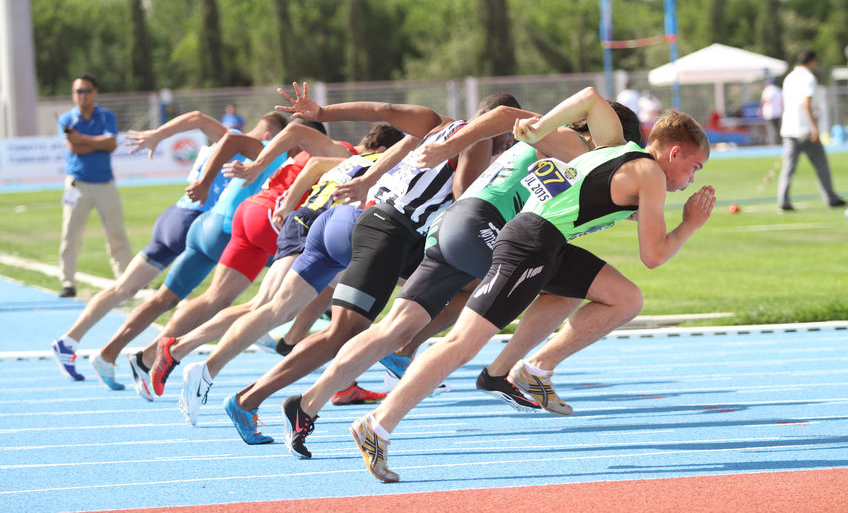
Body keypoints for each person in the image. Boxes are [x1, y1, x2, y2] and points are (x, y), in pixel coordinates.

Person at [349, 108, 715, 482]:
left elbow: (589, 98)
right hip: (530, 245)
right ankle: (377, 425)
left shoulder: (615, 145)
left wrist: (541, 127)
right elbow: (653, 256)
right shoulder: (649, 172)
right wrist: (689, 224)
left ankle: (533, 367)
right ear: (674, 153)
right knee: (462, 343)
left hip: (549, 242)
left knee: (624, 298)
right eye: (695, 167)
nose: (692, 178)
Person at [280, 91, 643, 459]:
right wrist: (446, 148)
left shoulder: (567, 149)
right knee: (555, 287)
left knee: (394, 328)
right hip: (482, 228)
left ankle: (307, 403)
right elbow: (502, 114)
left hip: (453, 227)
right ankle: (503, 371)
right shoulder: (570, 140)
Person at [190, 84, 517, 448]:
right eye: (507, 141)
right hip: (391, 232)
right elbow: (463, 198)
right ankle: (251, 399)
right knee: (343, 333)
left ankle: (401, 346)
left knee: (463, 286)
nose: (507, 149)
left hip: (388, 229)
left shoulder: (436, 122)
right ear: (497, 128)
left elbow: (384, 110)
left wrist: (324, 114)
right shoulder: (480, 141)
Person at [146, 124, 404, 417]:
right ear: (385, 150)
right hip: (303, 222)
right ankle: (188, 354)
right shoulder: (359, 156)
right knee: (271, 308)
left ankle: (336, 368)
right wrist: (287, 203)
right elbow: (313, 157)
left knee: (301, 302)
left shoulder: (355, 160)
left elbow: (316, 164)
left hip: (291, 219)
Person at [82, 112, 290, 398]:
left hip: (202, 225)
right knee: (244, 296)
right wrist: (205, 182)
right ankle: (154, 355)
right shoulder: (271, 151)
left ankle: (111, 353)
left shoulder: (253, 146)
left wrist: (158, 136)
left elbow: (206, 123)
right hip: (227, 229)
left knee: (166, 299)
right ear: (275, 136)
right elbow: (225, 133)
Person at [50, 109, 245, 384]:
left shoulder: (239, 144)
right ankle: (257, 334)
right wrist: (157, 135)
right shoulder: (240, 141)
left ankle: (71, 340)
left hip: (175, 215)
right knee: (208, 299)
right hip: (196, 220)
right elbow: (200, 117)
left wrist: (158, 135)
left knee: (126, 289)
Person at [56, 74, 132, 299]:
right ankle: (67, 281)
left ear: (95, 92)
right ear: (73, 94)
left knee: (116, 232)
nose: (82, 96)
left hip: (104, 183)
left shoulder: (106, 115)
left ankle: (126, 279)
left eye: (87, 91)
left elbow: (110, 144)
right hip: (75, 183)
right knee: (70, 234)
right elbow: (74, 149)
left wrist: (83, 138)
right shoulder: (66, 118)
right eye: (78, 91)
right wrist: (95, 142)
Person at [777, 48, 845, 211]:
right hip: (805, 130)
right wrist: (815, 128)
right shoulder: (809, 78)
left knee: (788, 168)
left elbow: (785, 104)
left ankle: (783, 200)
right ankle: (831, 197)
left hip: (789, 129)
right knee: (821, 163)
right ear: (812, 61)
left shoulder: (789, 78)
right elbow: (806, 104)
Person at [760, 78, 783, 146]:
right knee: (777, 129)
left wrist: (761, 109)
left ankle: (773, 143)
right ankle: (778, 142)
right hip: (778, 113)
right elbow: (781, 102)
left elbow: (765, 100)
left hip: (769, 113)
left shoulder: (767, 90)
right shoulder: (778, 90)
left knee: (771, 130)